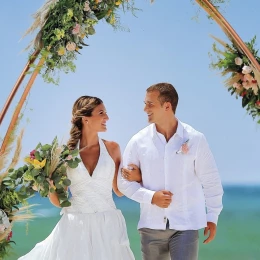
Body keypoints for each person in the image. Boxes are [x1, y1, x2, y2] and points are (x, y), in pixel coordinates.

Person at [19, 96, 137, 260]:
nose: (107, 118)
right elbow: (60, 201)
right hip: (74, 227)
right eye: (101, 113)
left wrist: (135, 177)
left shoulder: (112, 148)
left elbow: (119, 190)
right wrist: (50, 187)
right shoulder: (65, 153)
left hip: (108, 225)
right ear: (85, 119)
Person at [118, 83, 224, 260]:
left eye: (150, 104)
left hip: (186, 225)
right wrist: (151, 197)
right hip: (151, 226)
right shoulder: (138, 141)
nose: (145, 109)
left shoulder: (195, 139)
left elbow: (211, 179)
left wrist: (212, 215)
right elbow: (124, 182)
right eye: (145, 103)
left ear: (167, 106)